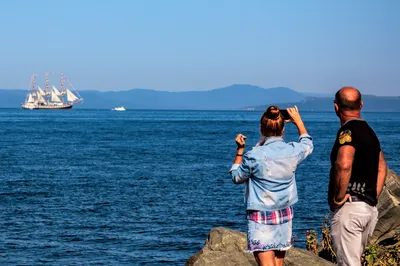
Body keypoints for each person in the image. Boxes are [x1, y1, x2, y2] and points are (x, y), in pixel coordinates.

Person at [229, 106, 313, 266]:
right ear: (283, 129)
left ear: (261, 128)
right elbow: (307, 144)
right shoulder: (293, 151)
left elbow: (237, 177)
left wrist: (240, 151)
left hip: (261, 216)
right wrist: (298, 121)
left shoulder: (254, 155)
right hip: (284, 213)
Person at [328, 87, 387, 266]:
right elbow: (382, 166)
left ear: (336, 108)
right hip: (368, 209)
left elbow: (344, 164)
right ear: (360, 105)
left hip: (350, 209)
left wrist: (338, 198)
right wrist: (372, 196)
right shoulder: (370, 132)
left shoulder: (348, 133)